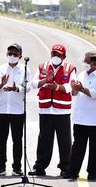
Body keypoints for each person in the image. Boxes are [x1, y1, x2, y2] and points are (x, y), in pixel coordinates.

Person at [29, 44, 76, 176]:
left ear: (64, 57)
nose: (55, 57)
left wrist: (56, 87)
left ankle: (65, 167)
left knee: (65, 141)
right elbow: (33, 84)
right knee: (44, 140)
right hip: (46, 110)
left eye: (58, 55)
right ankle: (40, 167)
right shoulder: (43, 67)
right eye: (53, 54)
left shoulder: (70, 68)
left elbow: (70, 87)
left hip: (62, 111)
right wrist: (45, 80)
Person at [63, 51, 96, 180]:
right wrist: (74, 88)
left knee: (95, 149)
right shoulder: (82, 74)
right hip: (80, 119)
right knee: (77, 147)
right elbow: (74, 93)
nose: (84, 63)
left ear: (94, 64)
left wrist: (82, 89)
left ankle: (92, 173)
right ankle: (72, 171)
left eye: (86, 61)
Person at [0, 43, 31, 176]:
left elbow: (28, 87)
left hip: (17, 110)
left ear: (20, 56)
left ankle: (17, 167)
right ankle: (1, 167)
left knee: (17, 140)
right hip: (1, 110)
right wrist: (0, 84)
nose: (12, 56)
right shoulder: (0, 69)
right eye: (9, 53)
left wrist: (17, 88)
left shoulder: (24, 69)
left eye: (15, 54)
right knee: (1, 140)